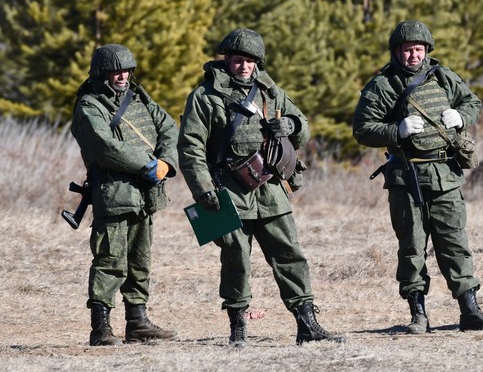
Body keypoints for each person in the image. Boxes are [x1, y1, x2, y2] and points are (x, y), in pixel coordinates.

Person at [177, 28, 343, 347]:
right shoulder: (205, 96)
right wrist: (203, 189)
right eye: (237, 60)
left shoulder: (270, 92)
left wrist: (291, 126)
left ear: (258, 63)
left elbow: (303, 127)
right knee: (236, 258)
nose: (243, 66)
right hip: (227, 190)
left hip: (270, 189)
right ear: (226, 60)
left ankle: (307, 323)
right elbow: (190, 148)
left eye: (250, 61)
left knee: (290, 253)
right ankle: (238, 326)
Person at [352, 19, 483, 334]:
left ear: (426, 51)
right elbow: (363, 129)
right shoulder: (383, 86)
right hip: (407, 178)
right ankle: (418, 315)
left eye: (419, 50)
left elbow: (472, 102)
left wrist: (462, 117)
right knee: (411, 246)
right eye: (408, 50)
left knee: (455, 243)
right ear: (396, 52)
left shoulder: (443, 77)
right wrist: (396, 130)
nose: (414, 56)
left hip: (446, 174)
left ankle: (470, 310)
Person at [70, 44, 179, 346]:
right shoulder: (89, 106)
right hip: (113, 195)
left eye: (126, 70)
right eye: (115, 71)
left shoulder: (139, 97)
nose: (122, 76)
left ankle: (137, 322)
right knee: (109, 260)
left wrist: (166, 163)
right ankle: (101, 327)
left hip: (145, 195)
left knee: (140, 261)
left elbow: (169, 127)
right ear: (101, 73)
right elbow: (104, 147)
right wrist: (147, 163)